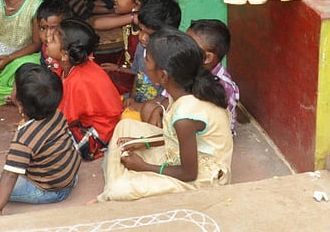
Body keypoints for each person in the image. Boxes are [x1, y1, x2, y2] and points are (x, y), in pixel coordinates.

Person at [98, 30, 233, 202]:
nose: (144, 63)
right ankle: (119, 177)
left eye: (147, 60)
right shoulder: (182, 88)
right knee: (125, 126)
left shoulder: (185, 116)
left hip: (202, 178)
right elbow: (177, 138)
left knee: (120, 188)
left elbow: (189, 173)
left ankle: (117, 182)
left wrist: (144, 167)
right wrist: (144, 142)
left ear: (163, 75)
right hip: (183, 155)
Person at [0, 63, 80, 218]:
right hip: (70, 176)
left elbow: (10, 175)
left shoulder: (24, 139)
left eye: (14, 85)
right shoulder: (56, 113)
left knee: (0, 182)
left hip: (52, 191)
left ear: (20, 102)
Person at [143, 19, 240, 136]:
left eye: (189, 45)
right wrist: (159, 109)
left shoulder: (224, 86)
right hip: (187, 115)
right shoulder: (188, 68)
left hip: (208, 136)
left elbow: (213, 126)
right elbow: (171, 98)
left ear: (207, 58)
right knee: (149, 108)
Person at [45, 19, 123, 160]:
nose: (47, 38)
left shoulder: (78, 79)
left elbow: (65, 119)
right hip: (94, 124)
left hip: (100, 134)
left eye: (54, 39)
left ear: (64, 54)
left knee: (45, 143)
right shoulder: (74, 68)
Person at [124, 0, 182, 113]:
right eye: (141, 30)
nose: (142, 37)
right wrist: (132, 97)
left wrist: (139, 107)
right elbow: (138, 75)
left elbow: (171, 99)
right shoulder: (142, 47)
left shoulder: (172, 58)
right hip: (138, 101)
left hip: (156, 111)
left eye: (149, 34)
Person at [36, 0, 69, 77]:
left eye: (54, 28)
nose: (47, 34)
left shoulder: (72, 49)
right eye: (43, 28)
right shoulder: (45, 48)